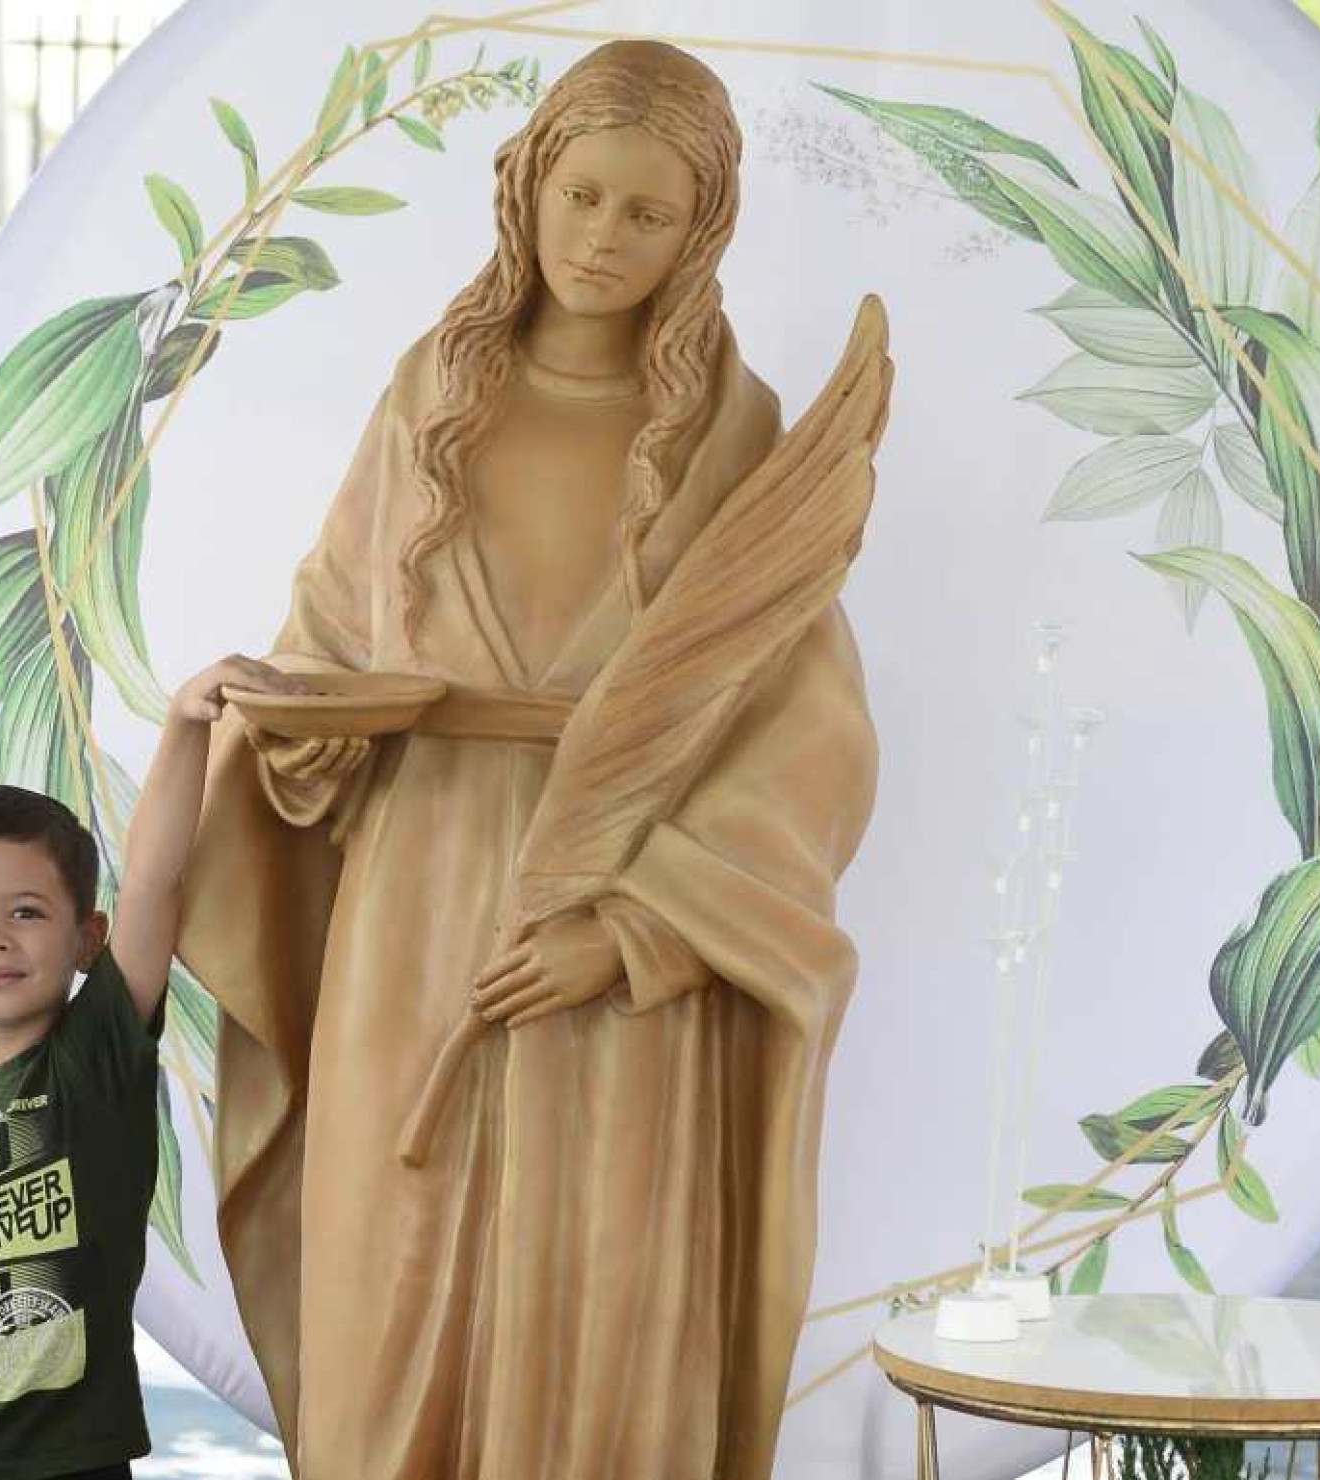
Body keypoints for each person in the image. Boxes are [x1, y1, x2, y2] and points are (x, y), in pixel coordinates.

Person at [177, 41, 889, 1480]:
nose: (601, 238)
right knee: (391, 1271)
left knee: (597, 1287)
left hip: (611, 916)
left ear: (704, 229)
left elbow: (799, 733)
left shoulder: (727, 437)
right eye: (580, 195)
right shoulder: (432, 390)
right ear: (524, 186)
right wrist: (283, 713)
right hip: (416, 892)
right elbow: (331, 619)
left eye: (645, 212)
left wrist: (634, 937)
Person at [0, 656, 300, 1480]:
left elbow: (154, 880)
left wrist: (187, 724)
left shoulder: (89, 1064)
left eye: (27, 912)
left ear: (88, 938)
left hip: (66, 1464)